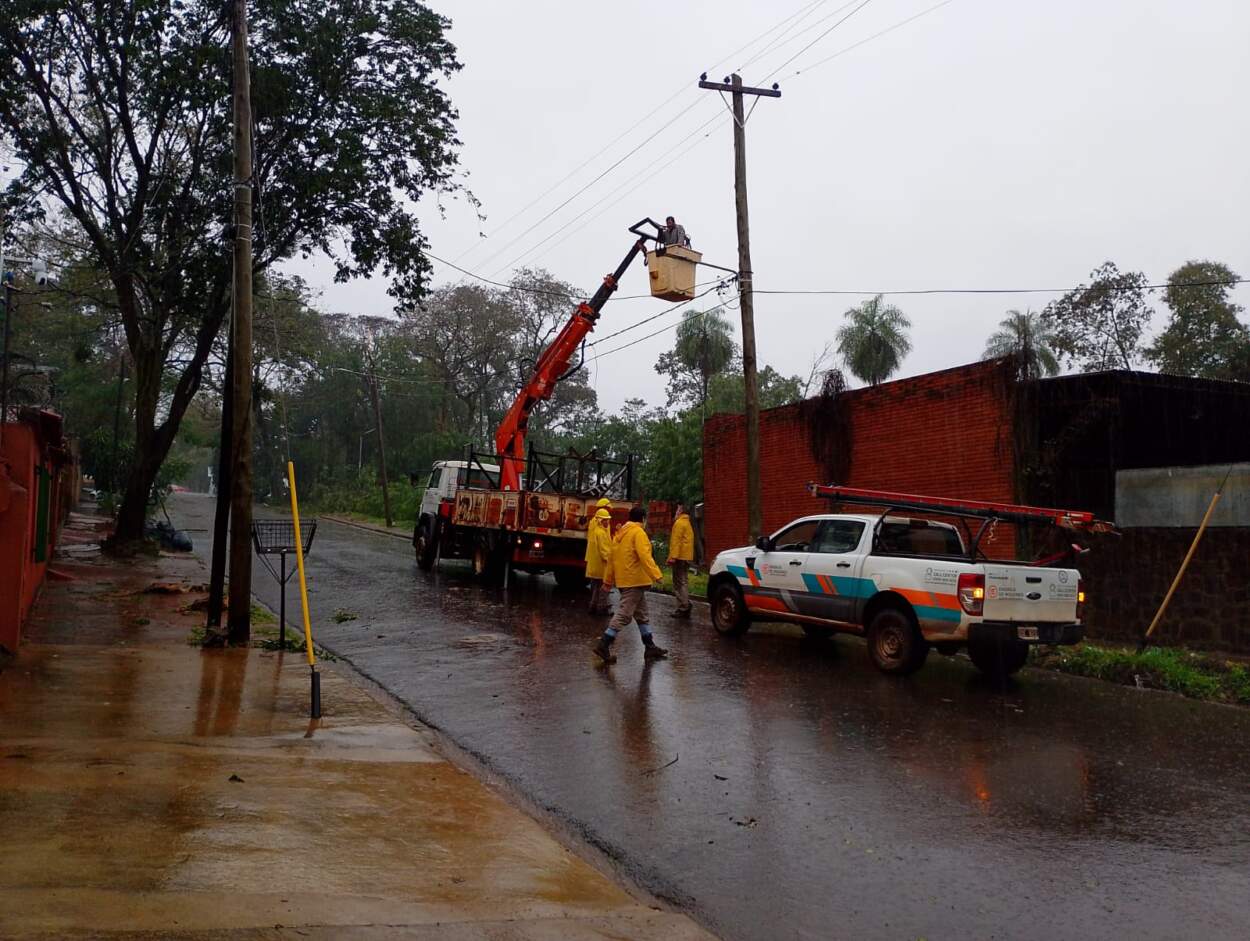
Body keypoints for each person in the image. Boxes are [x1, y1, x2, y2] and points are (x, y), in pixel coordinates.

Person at [592, 505, 668, 663]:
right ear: (643, 519)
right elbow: (645, 556)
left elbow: (612, 559)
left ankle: (650, 647)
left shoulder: (620, 534)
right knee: (624, 615)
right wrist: (657, 575)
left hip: (625, 580)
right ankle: (603, 645)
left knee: (642, 615)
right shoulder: (638, 533)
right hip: (635, 580)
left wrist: (608, 580)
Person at [584, 499, 613, 615]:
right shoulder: (600, 531)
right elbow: (604, 549)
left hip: (594, 562)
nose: (608, 522)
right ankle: (601, 608)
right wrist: (611, 560)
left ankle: (593, 606)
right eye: (606, 520)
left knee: (595, 587)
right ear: (601, 520)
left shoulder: (594, 525)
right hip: (601, 564)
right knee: (603, 587)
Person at [667, 502, 694, 618]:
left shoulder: (679, 523)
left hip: (679, 557)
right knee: (684, 581)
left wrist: (672, 557)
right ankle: (686, 603)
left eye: (678, 509)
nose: (676, 511)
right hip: (686, 557)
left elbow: (676, 542)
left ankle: (684, 606)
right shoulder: (687, 523)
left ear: (681, 510)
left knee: (678, 582)